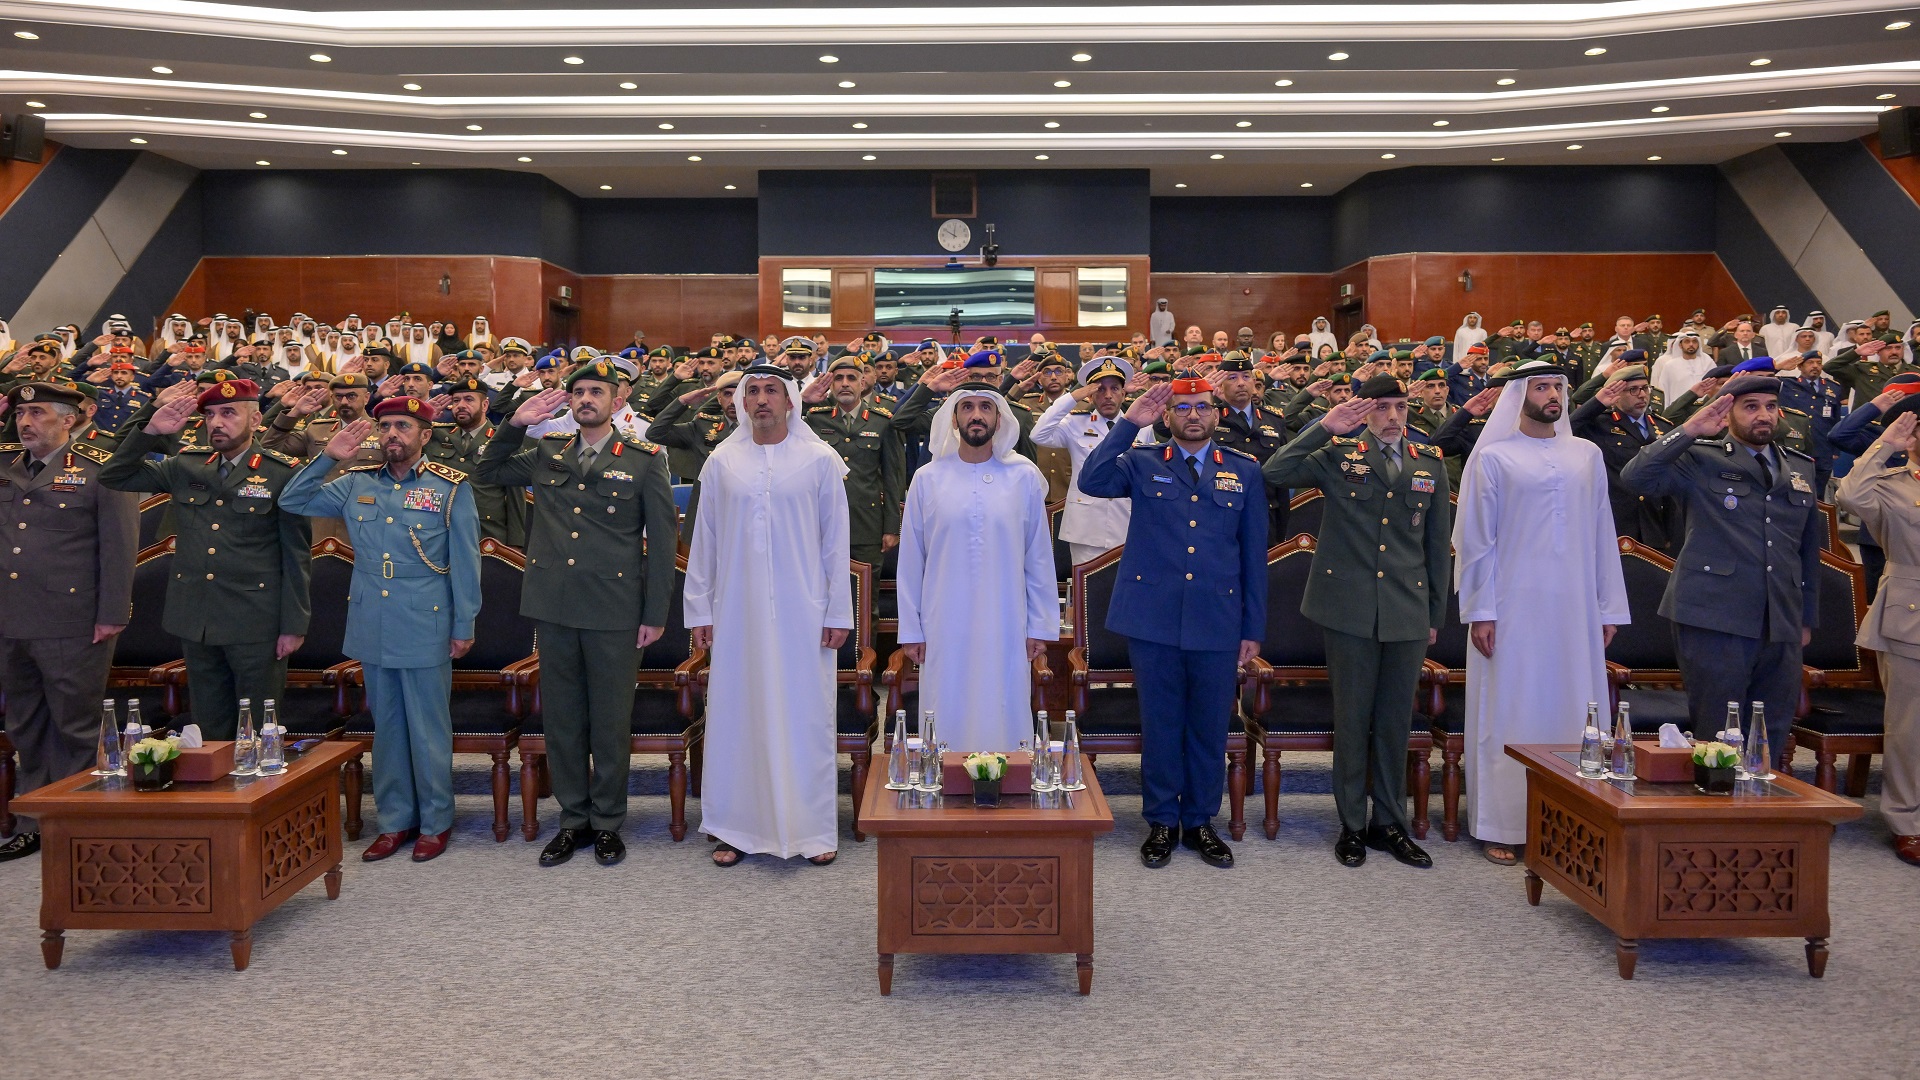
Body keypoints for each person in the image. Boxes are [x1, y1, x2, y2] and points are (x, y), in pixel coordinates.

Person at [479, 360, 678, 868]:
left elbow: (661, 546)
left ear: (618, 400)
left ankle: (608, 821)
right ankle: (573, 820)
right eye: (579, 392)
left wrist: (655, 612)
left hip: (615, 607)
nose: (586, 399)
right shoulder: (546, 451)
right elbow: (487, 471)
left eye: (597, 392)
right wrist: (515, 423)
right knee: (563, 719)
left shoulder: (643, 458)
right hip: (555, 604)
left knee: (610, 720)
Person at [277, 397, 480, 863]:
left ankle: (434, 821)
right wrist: (329, 456)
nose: (392, 434)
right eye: (385, 425)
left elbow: (467, 562)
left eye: (403, 426)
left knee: (427, 728)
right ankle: (394, 821)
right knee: (387, 728)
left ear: (424, 435)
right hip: (374, 619)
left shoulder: (449, 488)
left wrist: (463, 622)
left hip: (426, 617)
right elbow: (292, 500)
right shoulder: (355, 483)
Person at [1263, 375, 1450, 869]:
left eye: (1400, 407)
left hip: (1406, 609)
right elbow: (1275, 471)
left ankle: (1389, 822)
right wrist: (1324, 426)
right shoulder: (1338, 454)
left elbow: (1437, 546)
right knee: (1352, 717)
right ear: (1365, 410)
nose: (1392, 417)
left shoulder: (1428, 463)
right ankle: (1350, 823)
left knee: (1394, 721)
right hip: (1347, 607)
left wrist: (1434, 614)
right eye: (1382, 407)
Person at [1079, 378, 1267, 869]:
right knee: (1161, 725)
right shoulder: (1142, 462)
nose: (1193, 416)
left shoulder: (1243, 471)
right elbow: (1091, 481)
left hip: (1217, 618)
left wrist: (1253, 627)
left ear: (1217, 414)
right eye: (1182, 408)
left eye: (1202, 407)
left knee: (1208, 725)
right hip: (1154, 618)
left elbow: (1253, 554)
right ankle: (1162, 821)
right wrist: (1128, 423)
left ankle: (1201, 821)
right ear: (1168, 416)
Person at [1452, 361, 1629, 865]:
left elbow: (1601, 532)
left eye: (1558, 387)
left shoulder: (1586, 454)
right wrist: (1481, 610)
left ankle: (1574, 820)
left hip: (1574, 610)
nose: (1553, 395)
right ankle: (1503, 824)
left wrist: (1607, 608)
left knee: (1576, 710)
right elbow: (1475, 541)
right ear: (1518, 395)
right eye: (1543, 387)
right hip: (1510, 609)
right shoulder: (1494, 459)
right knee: (1510, 711)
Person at [685, 366, 853, 868]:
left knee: (804, 715)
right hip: (736, 612)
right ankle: (735, 828)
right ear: (740, 402)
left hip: (805, 613)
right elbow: (705, 541)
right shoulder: (722, 461)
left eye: (771, 392)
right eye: (752, 392)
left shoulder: (821, 460)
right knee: (739, 716)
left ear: (790, 402)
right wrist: (699, 607)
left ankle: (812, 829)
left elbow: (834, 543)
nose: (761, 400)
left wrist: (838, 610)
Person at [1620, 373, 1824, 758]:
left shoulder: (1799, 467)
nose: (1763, 415)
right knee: (1719, 731)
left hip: (1780, 616)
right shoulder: (1702, 458)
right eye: (1751, 407)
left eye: (1770, 407)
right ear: (1728, 413)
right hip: (1714, 614)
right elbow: (1635, 476)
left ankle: (1761, 812)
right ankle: (1717, 812)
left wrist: (1805, 618)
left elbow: (1808, 550)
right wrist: (1688, 429)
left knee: (1772, 728)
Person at [97, 379, 312, 740]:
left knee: (258, 729)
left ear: (256, 419)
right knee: (210, 726)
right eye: (209, 415)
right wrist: (150, 430)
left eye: (229, 413)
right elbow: (113, 474)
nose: (217, 423)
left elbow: (297, 553)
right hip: (196, 615)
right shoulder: (188, 465)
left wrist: (294, 624)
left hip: (255, 619)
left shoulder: (281, 472)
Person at [0, 382, 138, 864]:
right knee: (25, 725)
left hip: (73, 620)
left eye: (37, 412)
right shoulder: (7, 467)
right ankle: (33, 822)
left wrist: (112, 615)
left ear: (69, 419)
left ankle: (80, 821)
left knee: (75, 726)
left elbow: (120, 549)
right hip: (12, 618)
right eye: (20, 413)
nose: (25, 422)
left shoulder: (101, 470)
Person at [895, 387, 1058, 752]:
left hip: (1006, 619)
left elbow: (1039, 558)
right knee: (945, 699)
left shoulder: (1023, 477)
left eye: (986, 407)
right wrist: (911, 629)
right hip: (942, 622)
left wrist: (1040, 625)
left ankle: (1008, 786)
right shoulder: (927, 478)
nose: (976, 415)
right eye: (966, 407)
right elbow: (910, 563)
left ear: (1000, 418)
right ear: (953, 418)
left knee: (1003, 699)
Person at [1832, 401, 1920, 867]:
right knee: (1911, 727)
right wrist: (1885, 446)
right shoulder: (1891, 486)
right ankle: (1908, 821)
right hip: (1912, 611)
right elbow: (1849, 496)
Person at [1032, 356, 1153, 565]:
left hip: (1128, 522)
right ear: (1090, 396)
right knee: (1087, 590)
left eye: (1114, 389)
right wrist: (1072, 397)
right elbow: (1038, 435)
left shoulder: (1142, 427)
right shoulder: (1075, 423)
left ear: (1124, 393)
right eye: (1100, 390)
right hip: (1086, 527)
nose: (1108, 396)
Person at [802, 354, 906, 570]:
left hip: (867, 524)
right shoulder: (815, 419)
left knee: (867, 596)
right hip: (822, 523)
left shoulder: (882, 422)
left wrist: (892, 527)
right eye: (838, 378)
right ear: (830, 384)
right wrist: (803, 400)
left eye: (851, 378)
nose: (845, 384)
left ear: (863, 382)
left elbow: (892, 479)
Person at [1570, 358, 1681, 552]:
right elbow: (1567, 429)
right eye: (1633, 390)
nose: (1642, 395)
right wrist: (1597, 403)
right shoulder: (1600, 424)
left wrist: (1673, 532)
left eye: (1645, 388)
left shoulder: (1663, 427)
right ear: (1616, 395)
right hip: (1615, 521)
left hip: (1655, 521)